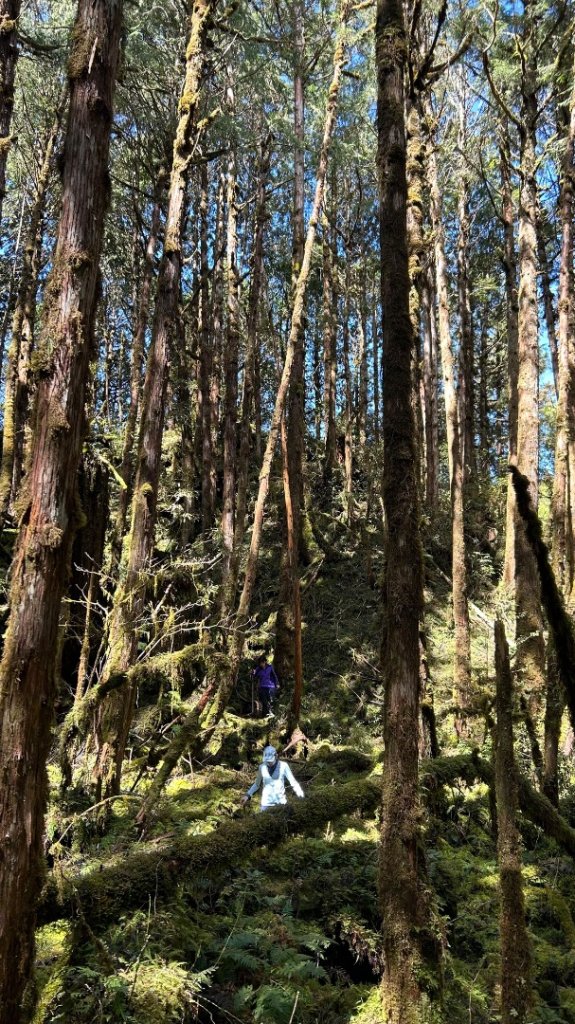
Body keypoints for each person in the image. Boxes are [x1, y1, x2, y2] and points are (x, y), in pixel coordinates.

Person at [241, 745, 304, 811]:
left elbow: (293, 782)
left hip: (281, 803)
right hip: (265, 804)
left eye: (270, 760)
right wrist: (247, 795)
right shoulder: (262, 767)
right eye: (267, 761)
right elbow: (257, 784)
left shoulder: (284, 766)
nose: (269, 762)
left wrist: (301, 795)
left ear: (276, 756)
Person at [252, 654, 279, 718]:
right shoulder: (258, 669)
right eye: (260, 663)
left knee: (271, 700)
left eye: (262, 663)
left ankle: (271, 713)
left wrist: (277, 683)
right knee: (264, 700)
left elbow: (274, 676)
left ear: (264, 662)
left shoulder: (270, 667)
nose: (261, 664)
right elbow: (254, 675)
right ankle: (265, 714)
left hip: (270, 686)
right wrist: (252, 673)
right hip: (262, 686)